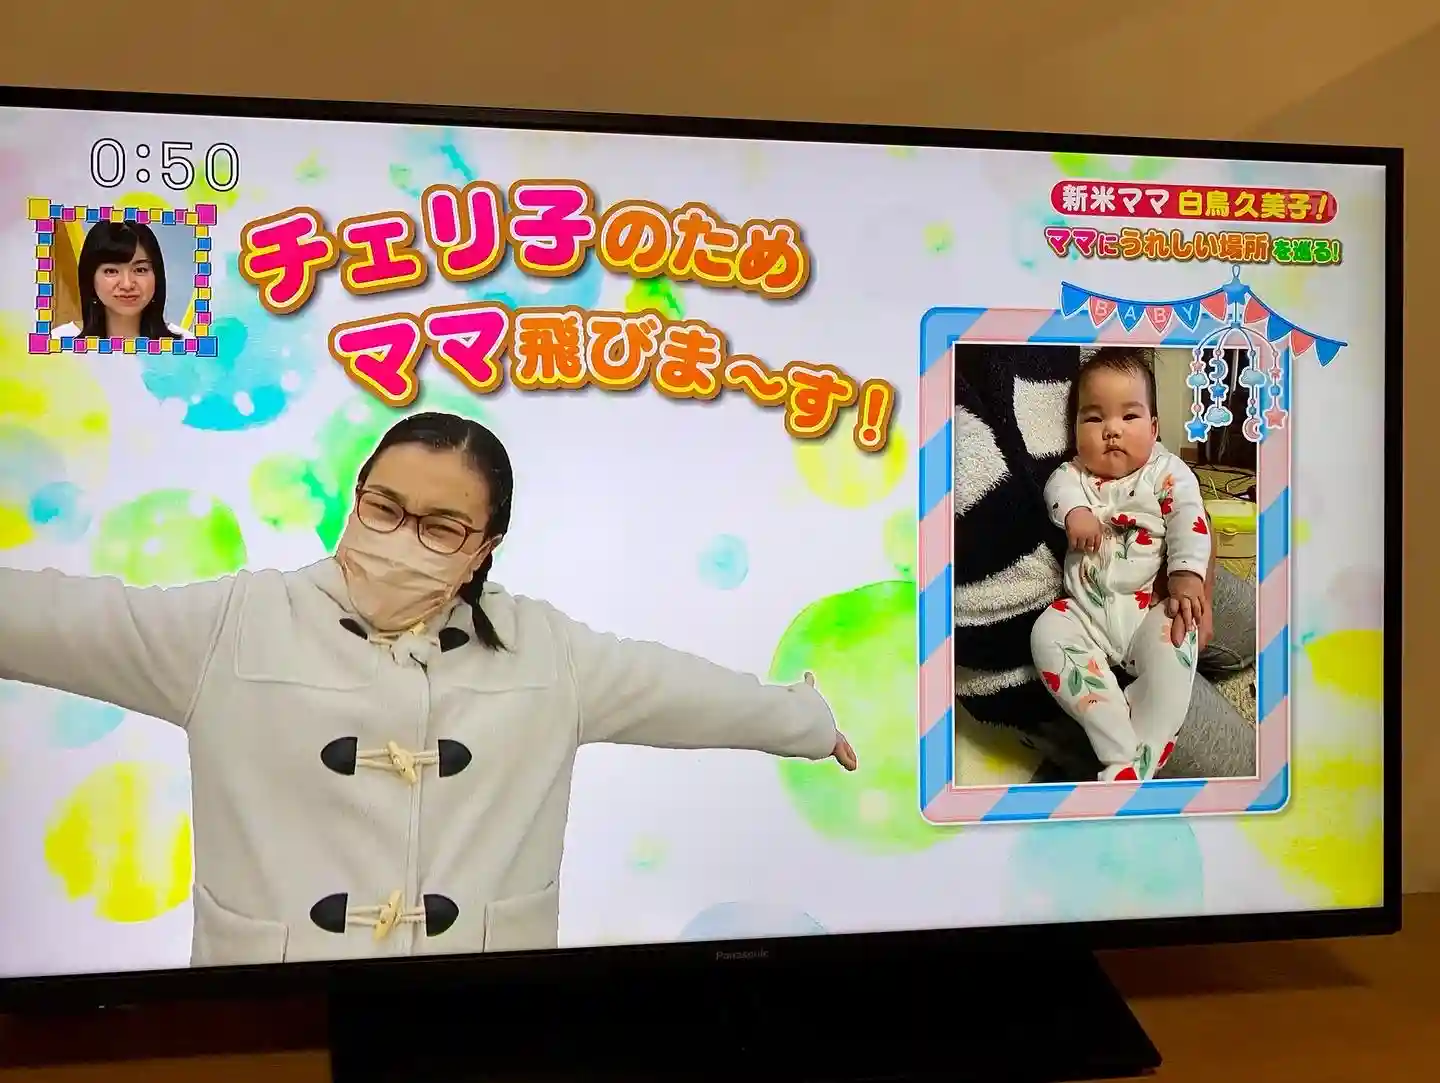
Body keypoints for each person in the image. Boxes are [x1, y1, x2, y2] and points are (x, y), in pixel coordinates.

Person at [0, 413, 857, 967]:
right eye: (384, 507)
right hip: (274, 1023)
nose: (401, 537)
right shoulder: (232, 624)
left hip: (479, 1033)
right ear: (356, 499)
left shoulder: (544, 649)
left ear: (485, 546)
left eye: (442, 526)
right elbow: (55, 618)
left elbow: (681, 689)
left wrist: (808, 720)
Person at [1030, 347, 1211, 782]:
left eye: (1129, 416)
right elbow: (1056, 489)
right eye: (1094, 418)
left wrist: (1187, 576)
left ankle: (1141, 758)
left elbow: (1189, 516)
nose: (1112, 430)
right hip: (1085, 615)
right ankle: (1114, 740)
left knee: (1177, 644)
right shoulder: (1074, 475)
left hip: (1151, 610)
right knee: (1046, 633)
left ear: (1154, 428)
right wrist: (1075, 513)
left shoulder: (1167, 473)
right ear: (1074, 431)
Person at [50, 220, 190, 340]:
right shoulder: (59, 342)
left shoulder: (186, 344)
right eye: (111, 271)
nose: (127, 285)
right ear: (90, 277)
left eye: (140, 270)